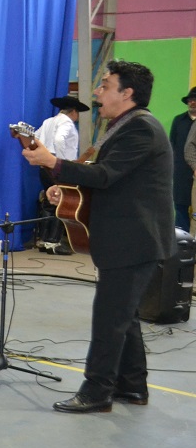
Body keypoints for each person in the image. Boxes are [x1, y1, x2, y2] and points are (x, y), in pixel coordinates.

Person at [23, 60, 174, 413]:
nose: (95, 92)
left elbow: (106, 175)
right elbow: (109, 179)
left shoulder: (141, 129)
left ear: (127, 93)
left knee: (110, 318)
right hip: (128, 240)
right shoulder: (124, 126)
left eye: (104, 85)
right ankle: (132, 386)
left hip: (133, 241)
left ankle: (97, 391)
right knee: (124, 315)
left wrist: (53, 163)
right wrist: (69, 189)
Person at [34, 95, 90, 255]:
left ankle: (44, 240)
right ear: (73, 112)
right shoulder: (66, 123)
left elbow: (35, 138)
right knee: (61, 201)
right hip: (58, 166)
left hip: (44, 166)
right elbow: (59, 140)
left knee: (48, 201)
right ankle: (54, 242)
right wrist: (62, 162)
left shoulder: (48, 121)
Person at [174, 87, 196, 231]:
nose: (192, 103)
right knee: (181, 209)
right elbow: (172, 145)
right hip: (181, 173)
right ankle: (183, 246)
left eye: (195, 100)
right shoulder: (179, 121)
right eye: (190, 100)